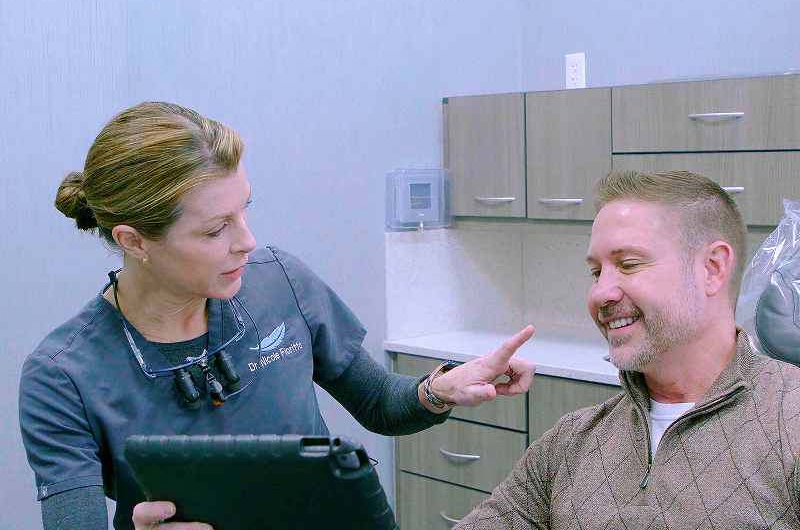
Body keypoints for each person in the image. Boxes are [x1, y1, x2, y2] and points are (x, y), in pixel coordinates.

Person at [18, 102, 536, 530]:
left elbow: (378, 403)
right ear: (134, 241)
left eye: (245, 210)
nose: (247, 241)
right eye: (216, 229)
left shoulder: (281, 281)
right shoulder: (63, 377)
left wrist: (439, 389)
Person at [454, 170, 800, 529]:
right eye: (595, 273)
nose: (600, 293)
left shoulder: (790, 424)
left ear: (712, 269)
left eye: (628, 265)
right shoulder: (570, 444)